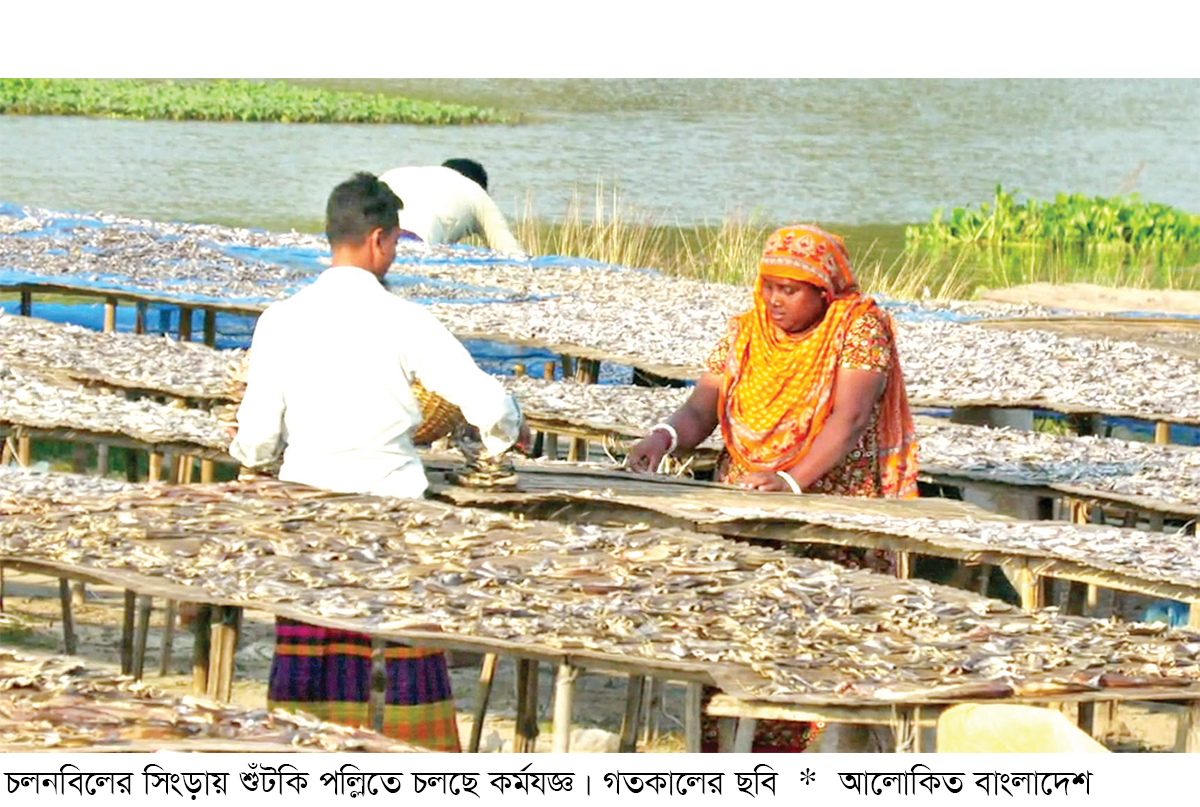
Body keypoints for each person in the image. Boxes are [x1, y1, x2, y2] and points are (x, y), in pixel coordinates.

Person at [229, 171, 525, 751]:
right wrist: (503, 435)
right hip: (395, 511)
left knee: (315, 659)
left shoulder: (281, 319)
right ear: (379, 240)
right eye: (393, 243)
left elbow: (259, 437)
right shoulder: (405, 319)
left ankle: (306, 762)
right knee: (402, 662)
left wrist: (248, 456)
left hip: (308, 509)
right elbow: (487, 402)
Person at [625, 223, 919, 752]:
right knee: (738, 643)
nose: (775, 300)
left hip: (829, 517)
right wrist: (663, 438)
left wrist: (789, 480)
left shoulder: (859, 326)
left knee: (819, 647)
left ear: (823, 293)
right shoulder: (747, 330)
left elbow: (848, 420)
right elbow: (701, 408)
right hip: (744, 514)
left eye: (790, 290)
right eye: (769, 286)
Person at [378, 158, 526, 255]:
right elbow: (512, 255)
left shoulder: (401, 174)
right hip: (416, 241)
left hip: (368, 234)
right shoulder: (475, 192)